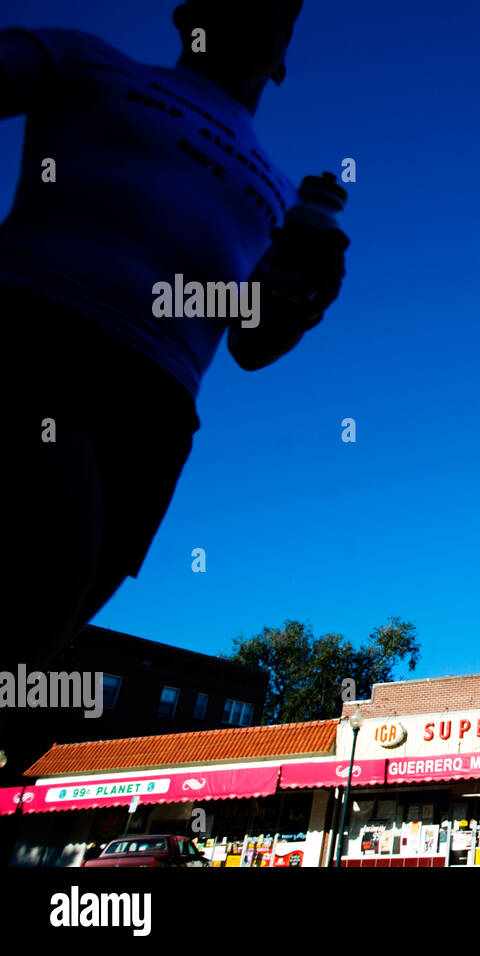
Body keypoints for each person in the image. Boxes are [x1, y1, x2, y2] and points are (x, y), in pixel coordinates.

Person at [0, 0, 347, 752]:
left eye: (281, 9)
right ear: (188, 12)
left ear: (284, 54)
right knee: (51, 547)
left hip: (157, 409)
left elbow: (255, 340)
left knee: (38, 627)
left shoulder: (284, 193)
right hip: (32, 335)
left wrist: (309, 295)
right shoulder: (90, 64)